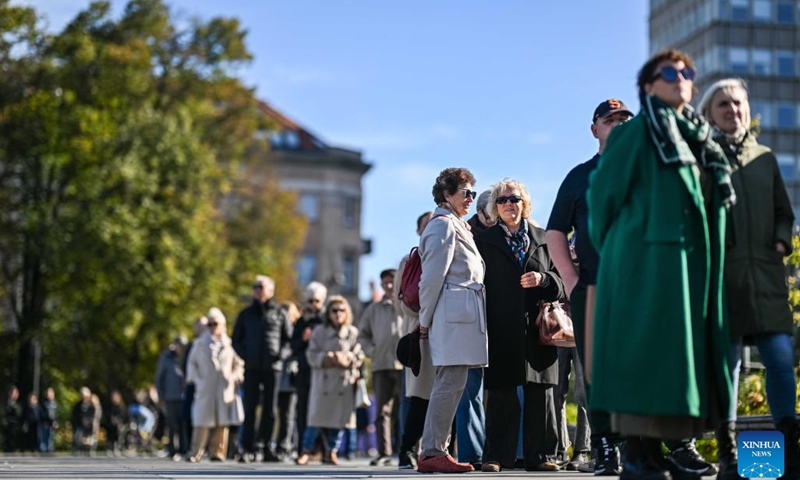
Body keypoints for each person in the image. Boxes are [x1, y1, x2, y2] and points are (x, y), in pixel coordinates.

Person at [587, 49, 735, 480]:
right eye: (669, 72)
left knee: (672, 361)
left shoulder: (697, 135)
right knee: (644, 355)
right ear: (649, 85)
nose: (681, 78)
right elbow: (602, 199)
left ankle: (654, 454)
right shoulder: (637, 133)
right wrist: (627, 250)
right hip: (643, 264)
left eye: (687, 72)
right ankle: (637, 455)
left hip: (687, 269)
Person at [697, 78, 800, 479]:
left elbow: (784, 212)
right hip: (724, 276)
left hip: (767, 276)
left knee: (778, 359)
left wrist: (779, 242)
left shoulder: (765, 156)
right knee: (728, 368)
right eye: (723, 103)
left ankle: (787, 454)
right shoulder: (703, 158)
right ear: (710, 112)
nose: (732, 109)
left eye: (738, 103)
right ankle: (729, 456)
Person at [546, 98, 634, 475]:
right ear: (595, 129)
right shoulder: (580, 176)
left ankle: (640, 447)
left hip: (640, 288)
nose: (618, 124)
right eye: (610, 120)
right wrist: (570, 279)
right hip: (594, 287)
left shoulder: (645, 170)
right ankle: (605, 448)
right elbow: (554, 232)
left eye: (624, 119)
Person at [475, 179, 565, 472]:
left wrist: (545, 280)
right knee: (501, 393)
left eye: (514, 199)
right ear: (495, 207)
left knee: (541, 393)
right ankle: (496, 457)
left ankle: (541, 457)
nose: (508, 205)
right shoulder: (484, 242)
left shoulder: (543, 237)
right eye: (502, 200)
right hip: (500, 326)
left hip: (538, 327)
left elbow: (562, 282)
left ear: (524, 203)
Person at [416, 167, 487, 474]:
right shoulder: (442, 225)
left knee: (454, 381)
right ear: (447, 194)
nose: (470, 198)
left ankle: (435, 448)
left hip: (460, 313)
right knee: (450, 381)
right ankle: (432, 450)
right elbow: (431, 278)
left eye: (473, 192)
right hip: (452, 314)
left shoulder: (456, 224)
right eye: (465, 192)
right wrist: (424, 318)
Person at [295, 295, 364, 466]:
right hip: (323, 381)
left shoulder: (352, 332)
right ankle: (305, 451)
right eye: (334, 310)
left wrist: (346, 358)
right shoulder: (319, 331)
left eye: (341, 310)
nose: (338, 313)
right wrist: (327, 357)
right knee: (315, 420)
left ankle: (331, 452)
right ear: (329, 313)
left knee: (338, 422)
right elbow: (310, 354)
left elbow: (359, 355)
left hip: (343, 383)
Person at [232, 275, 293, 463]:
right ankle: (247, 448)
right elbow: (236, 340)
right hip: (252, 368)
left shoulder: (280, 313)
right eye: (255, 287)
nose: (257, 290)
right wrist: (246, 356)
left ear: (271, 291)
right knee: (250, 408)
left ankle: (266, 447)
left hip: (272, 368)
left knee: (270, 409)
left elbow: (289, 340)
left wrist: (280, 356)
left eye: (261, 286)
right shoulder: (246, 314)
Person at [394, 212, 437, 470]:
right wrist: (423, 318)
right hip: (420, 334)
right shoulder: (410, 260)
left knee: (445, 395)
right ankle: (406, 450)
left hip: (444, 332)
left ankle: (437, 450)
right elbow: (403, 301)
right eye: (426, 225)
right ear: (420, 231)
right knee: (419, 397)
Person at [358, 268, 404, 467]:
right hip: (381, 364)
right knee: (382, 412)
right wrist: (372, 351)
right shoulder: (373, 309)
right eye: (386, 282)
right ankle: (384, 452)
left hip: (406, 366)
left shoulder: (408, 304)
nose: (390, 285)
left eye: (393, 281)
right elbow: (362, 335)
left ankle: (407, 451)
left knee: (407, 410)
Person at [186, 307, 245, 462]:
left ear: (222, 325)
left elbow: (238, 363)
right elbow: (191, 364)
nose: (212, 327)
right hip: (205, 387)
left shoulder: (230, 344)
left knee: (222, 422)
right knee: (201, 421)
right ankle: (195, 452)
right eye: (210, 324)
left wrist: (235, 375)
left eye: (216, 324)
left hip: (224, 388)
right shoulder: (199, 344)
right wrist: (197, 379)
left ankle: (218, 452)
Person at [291, 281, 328, 455]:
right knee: (303, 409)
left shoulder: (327, 320)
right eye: (310, 301)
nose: (313, 305)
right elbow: (293, 346)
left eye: (316, 301)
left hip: (322, 371)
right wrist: (304, 340)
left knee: (322, 409)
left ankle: (323, 449)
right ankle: (303, 449)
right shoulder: (301, 322)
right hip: (304, 370)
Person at [276, 301, 302, 460]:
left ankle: (285, 445)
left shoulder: (296, 330)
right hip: (277, 376)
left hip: (291, 376)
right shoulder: (276, 329)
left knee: (288, 414)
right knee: (275, 413)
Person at [156, 335, 188, 459]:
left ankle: (184, 449)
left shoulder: (186, 357)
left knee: (183, 424)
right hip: (170, 397)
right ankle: (172, 449)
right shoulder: (166, 358)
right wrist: (161, 397)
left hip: (183, 397)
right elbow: (159, 379)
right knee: (171, 424)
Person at [182, 316, 207, 450]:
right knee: (188, 415)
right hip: (193, 385)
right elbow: (185, 366)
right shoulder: (193, 345)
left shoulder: (210, 343)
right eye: (199, 326)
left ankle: (204, 447)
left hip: (206, 386)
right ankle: (189, 446)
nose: (201, 328)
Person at [71, 387, 96, 455]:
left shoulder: (91, 405)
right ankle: (77, 450)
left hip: (88, 426)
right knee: (78, 438)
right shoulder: (78, 405)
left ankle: (87, 451)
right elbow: (75, 415)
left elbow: (93, 415)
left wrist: (88, 421)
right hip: (79, 425)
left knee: (88, 440)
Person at [106, 390, 127, 456]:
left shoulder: (122, 407)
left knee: (120, 433)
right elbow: (108, 415)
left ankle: (119, 448)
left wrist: (118, 421)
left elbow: (124, 417)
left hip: (120, 425)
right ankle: (110, 448)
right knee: (111, 431)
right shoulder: (110, 406)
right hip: (111, 425)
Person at [37, 387, 58, 453]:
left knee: (50, 438)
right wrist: (44, 421)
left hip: (52, 423)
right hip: (45, 423)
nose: (50, 395)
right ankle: (43, 450)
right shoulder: (44, 403)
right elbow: (41, 413)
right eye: (49, 393)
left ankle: (50, 450)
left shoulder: (55, 404)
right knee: (43, 438)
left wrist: (56, 421)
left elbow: (56, 414)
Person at [3, 386, 21, 452]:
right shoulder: (7, 402)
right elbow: (5, 412)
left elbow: (19, 414)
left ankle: (13, 450)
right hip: (9, 423)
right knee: (8, 440)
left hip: (15, 424)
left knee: (14, 439)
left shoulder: (17, 404)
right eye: (13, 393)